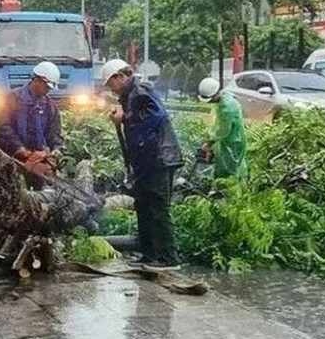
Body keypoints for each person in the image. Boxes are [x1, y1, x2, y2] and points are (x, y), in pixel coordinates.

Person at [103, 58, 182, 271]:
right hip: (146, 161)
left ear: (120, 77)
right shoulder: (130, 95)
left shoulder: (140, 90)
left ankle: (168, 257)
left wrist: (125, 118)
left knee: (157, 208)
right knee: (143, 207)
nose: (111, 89)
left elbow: (155, 116)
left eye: (111, 83)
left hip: (158, 158)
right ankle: (149, 254)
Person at [0, 61, 63, 162]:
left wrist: (56, 149)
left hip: (37, 157)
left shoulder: (50, 107)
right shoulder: (12, 99)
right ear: (36, 80)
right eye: (46, 87)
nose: (48, 90)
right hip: (10, 155)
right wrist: (18, 147)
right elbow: (4, 126)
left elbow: (54, 133)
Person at [198, 77, 247, 180]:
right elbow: (218, 123)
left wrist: (209, 142)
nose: (210, 102)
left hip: (233, 141)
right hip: (231, 138)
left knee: (229, 169)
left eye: (210, 99)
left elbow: (223, 130)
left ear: (215, 94)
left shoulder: (227, 107)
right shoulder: (225, 97)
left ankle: (228, 190)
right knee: (235, 166)